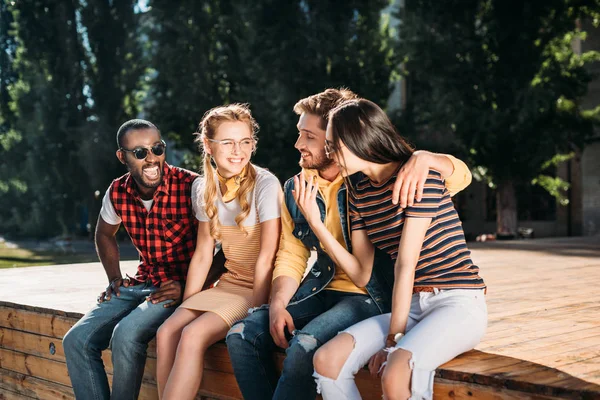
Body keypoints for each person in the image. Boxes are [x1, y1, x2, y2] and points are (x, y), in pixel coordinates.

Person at [226, 89, 474, 400]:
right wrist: (277, 305)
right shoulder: (309, 187)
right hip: (330, 290)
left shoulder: (380, 177)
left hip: (373, 296)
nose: (298, 144)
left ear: (344, 138)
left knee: (308, 347)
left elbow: (459, 178)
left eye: (309, 136)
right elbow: (291, 253)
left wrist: (427, 158)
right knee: (241, 335)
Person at [300, 98, 487, 400]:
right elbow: (361, 272)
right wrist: (316, 223)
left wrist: (392, 342)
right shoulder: (356, 190)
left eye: (334, 145)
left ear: (360, 138)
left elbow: (405, 263)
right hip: (411, 305)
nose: (329, 153)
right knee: (327, 361)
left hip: (457, 302)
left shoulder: (417, 175)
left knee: (396, 371)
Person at [63, 119, 225, 400]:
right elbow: (104, 234)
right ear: (122, 157)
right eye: (139, 152)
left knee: (125, 335)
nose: (151, 158)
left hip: (179, 288)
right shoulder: (117, 191)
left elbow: (224, 253)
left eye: (157, 149)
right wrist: (114, 277)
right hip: (143, 280)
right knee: (75, 340)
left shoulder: (193, 187)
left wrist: (188, 287)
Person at [155, 104, 282, 400]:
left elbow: (268, 256)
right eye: (228, 142)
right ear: (209, 146)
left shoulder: (265, 183)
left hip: (257, 288)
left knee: (192, 335)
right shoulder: (202, 188)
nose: (237, 151)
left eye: (245, 141)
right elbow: (203, 253)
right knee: (167, 332)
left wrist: (256, 312)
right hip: (228, 283)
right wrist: (188, 304)